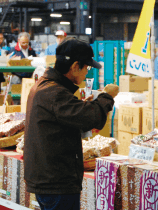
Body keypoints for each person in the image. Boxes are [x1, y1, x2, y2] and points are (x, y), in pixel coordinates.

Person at [24, 37, 119, 210]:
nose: (87, 73)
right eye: (87, 67)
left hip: (49, 179)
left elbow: (74, 116)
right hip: (56, 182)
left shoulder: (45, 86)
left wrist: (85, 105)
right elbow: (92, 118)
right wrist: (107, 96)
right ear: (75, 66)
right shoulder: (54, 92)